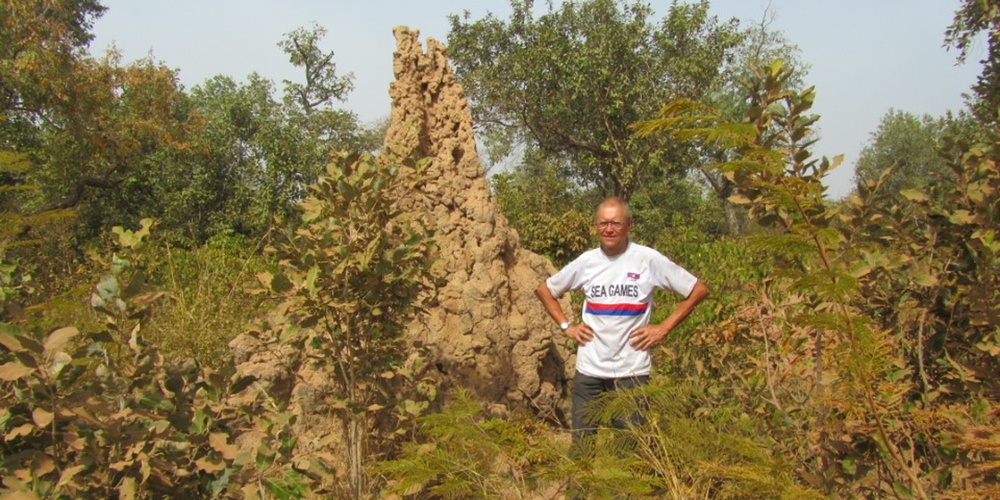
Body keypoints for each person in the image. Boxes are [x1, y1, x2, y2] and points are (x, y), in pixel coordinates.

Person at [535, 197, 709, 446]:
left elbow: (698, 290)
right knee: (582, 447)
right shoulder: (587, 262)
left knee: (629, 449)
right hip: (589, 372)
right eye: (603, 223)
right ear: (595, 226)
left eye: (616, 223)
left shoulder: (647, 259)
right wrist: (567, 326)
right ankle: (584, 486)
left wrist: (663, 328)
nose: (609, 229)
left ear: (629, 225)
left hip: (632, 373)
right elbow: (545, 291)